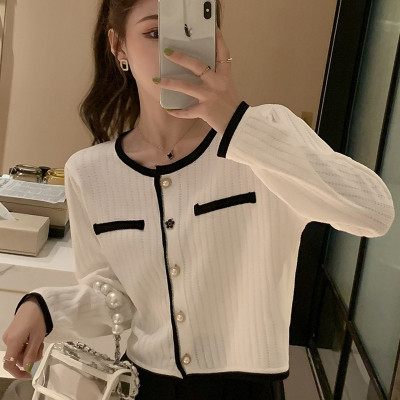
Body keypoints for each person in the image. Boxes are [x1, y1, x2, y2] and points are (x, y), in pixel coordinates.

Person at [2, 0, 395, 399]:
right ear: (118, 46)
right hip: (145, 385)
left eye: (191, 31)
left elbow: (374, 212)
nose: (174, 51)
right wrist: (47, 306)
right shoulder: (89, 172)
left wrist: (235, 120)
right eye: (155, 33)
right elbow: (116, 295)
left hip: (246, 392)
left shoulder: (266, 137)